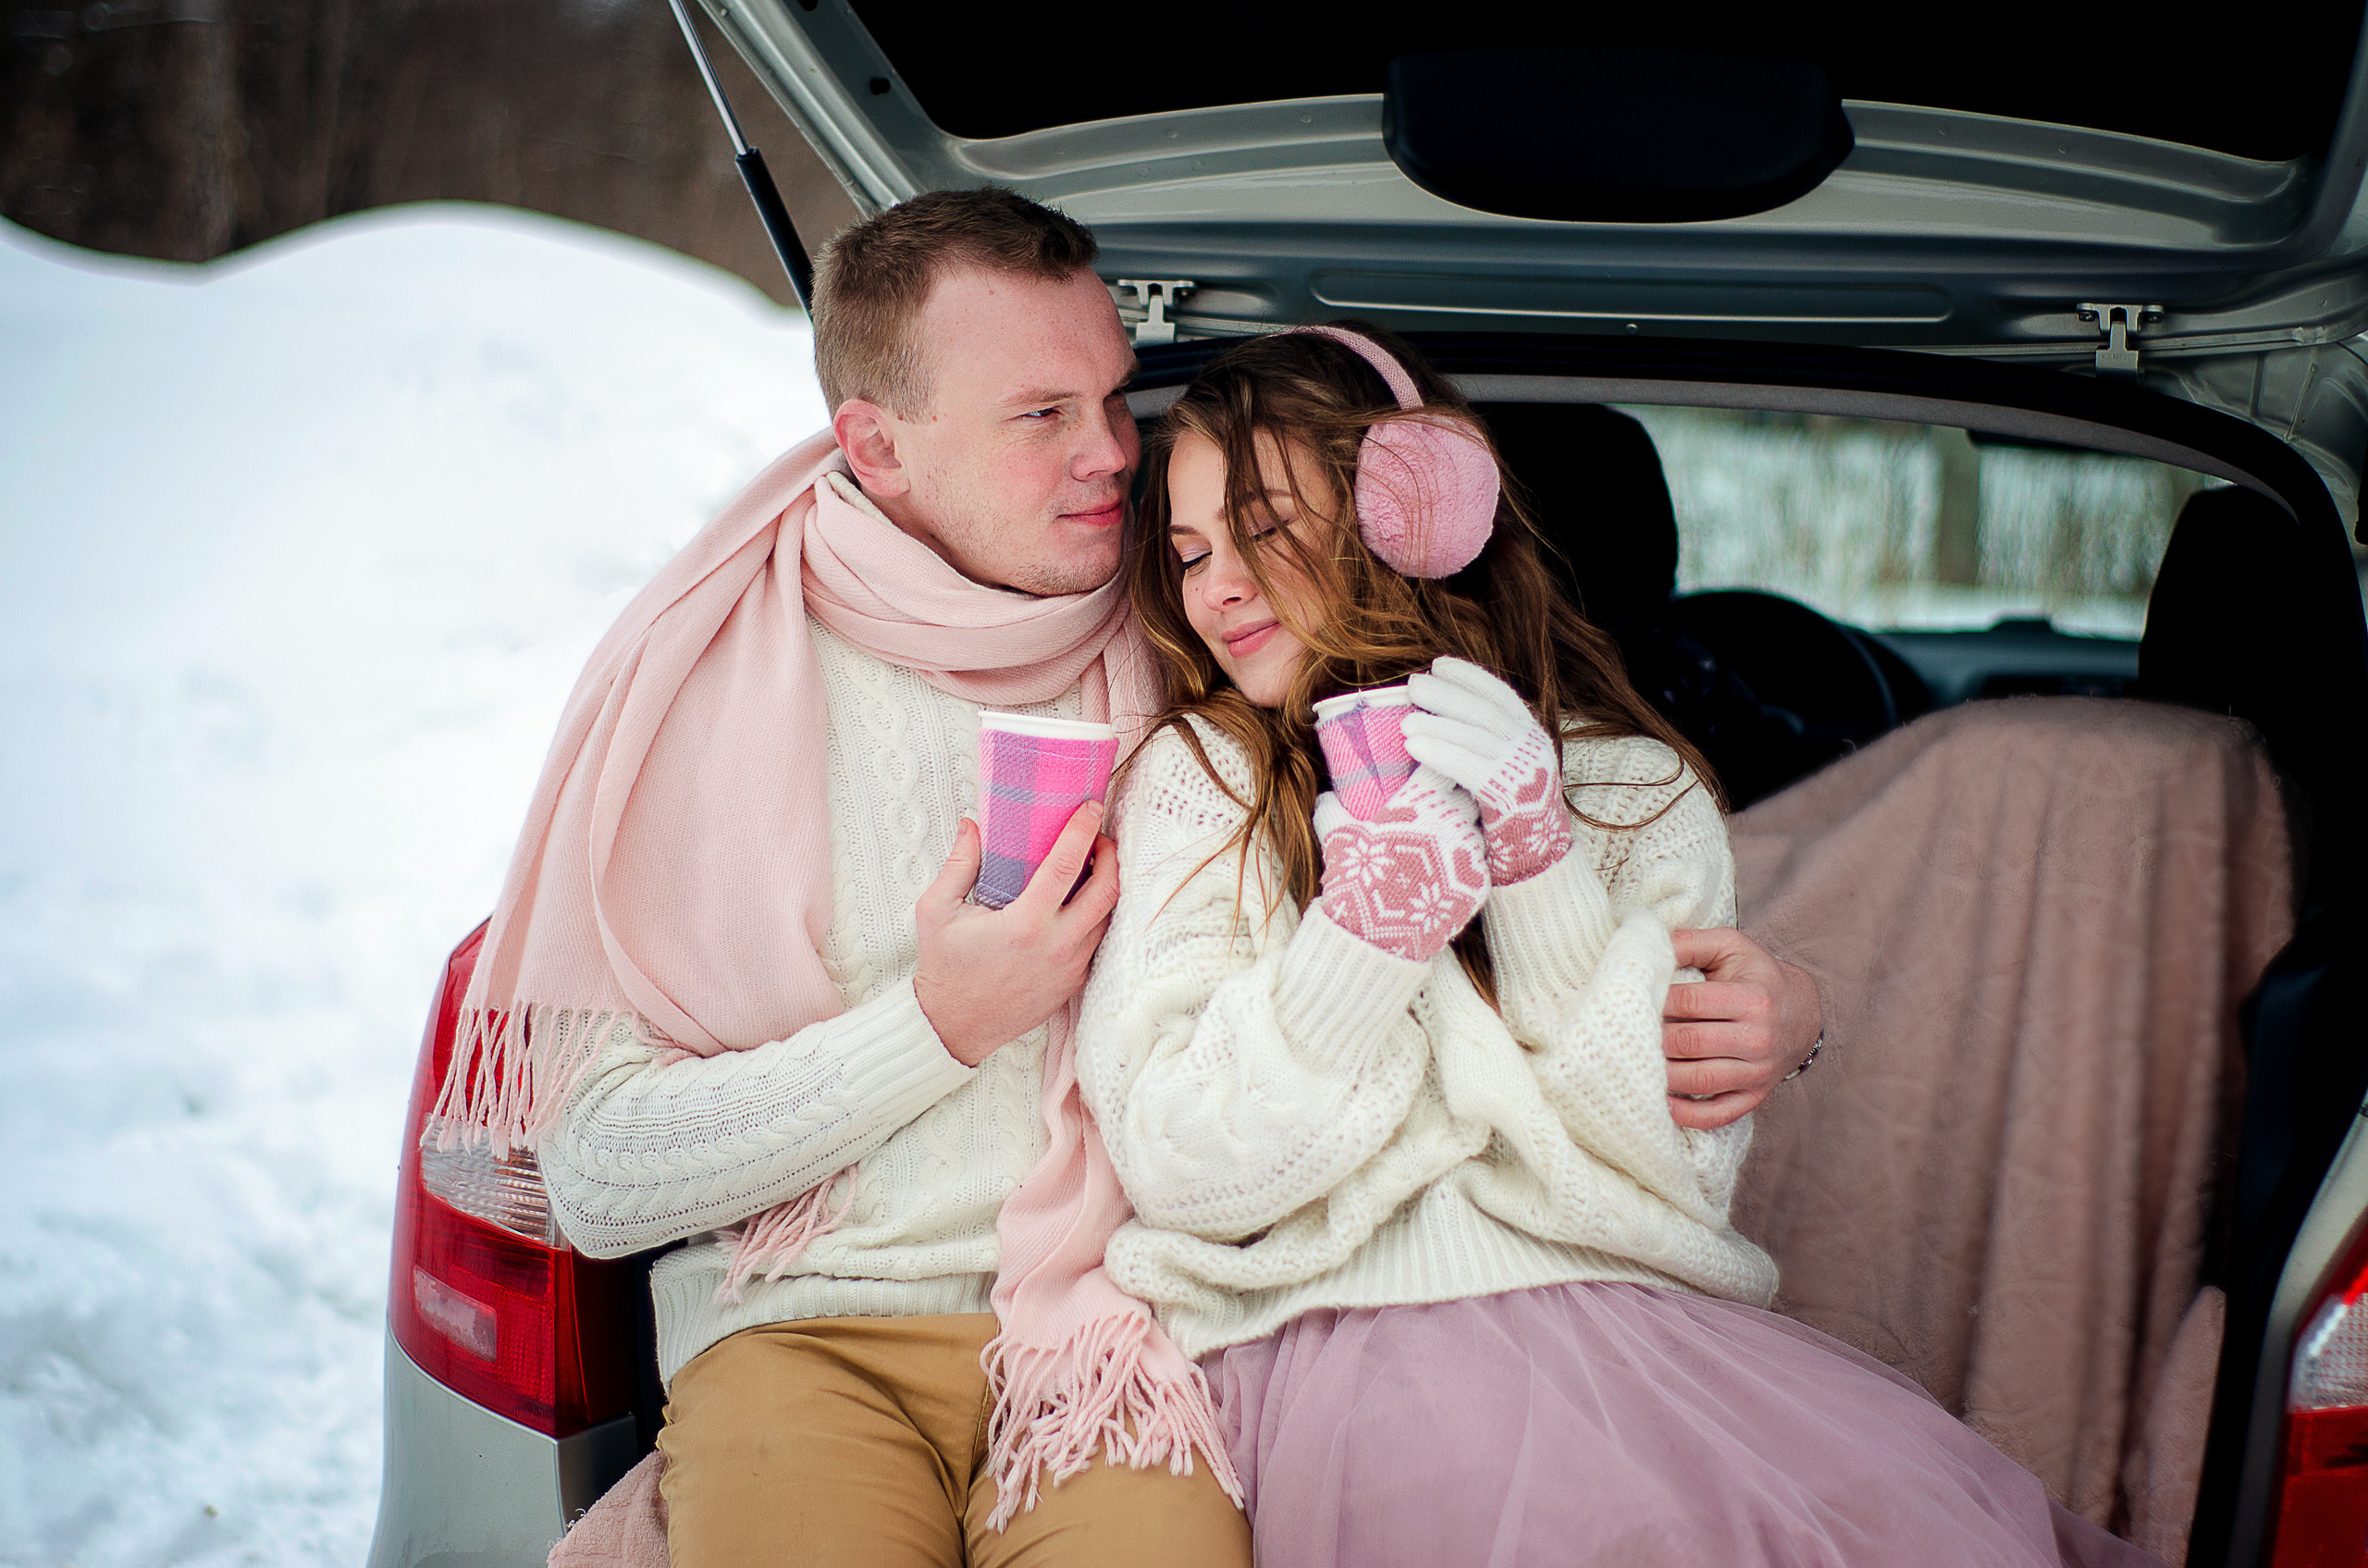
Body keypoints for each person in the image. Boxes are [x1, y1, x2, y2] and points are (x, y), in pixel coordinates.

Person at [438, 188, 1816, 1568]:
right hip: (809, 1329)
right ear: (879, 445)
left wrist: (1770, 1010)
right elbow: (597, 1180)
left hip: (1118, 1331)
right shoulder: (713, 688)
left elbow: (1465, 755)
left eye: (1114, 396)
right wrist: (936, 1026)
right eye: (1043, 414)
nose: (1112, 456)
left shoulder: (1190, 654)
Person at [1079, 323, 2166, 1566]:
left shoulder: (1632, 789)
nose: (1215, 589)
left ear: (1413, 516)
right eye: (1190, 552)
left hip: (1625, 1338)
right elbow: (1176, 1163)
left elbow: (1677, 1172)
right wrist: (1363, 940)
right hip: (1321, 1342)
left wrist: (1539, 868)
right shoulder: (1200, 778)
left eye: (1265, 531)